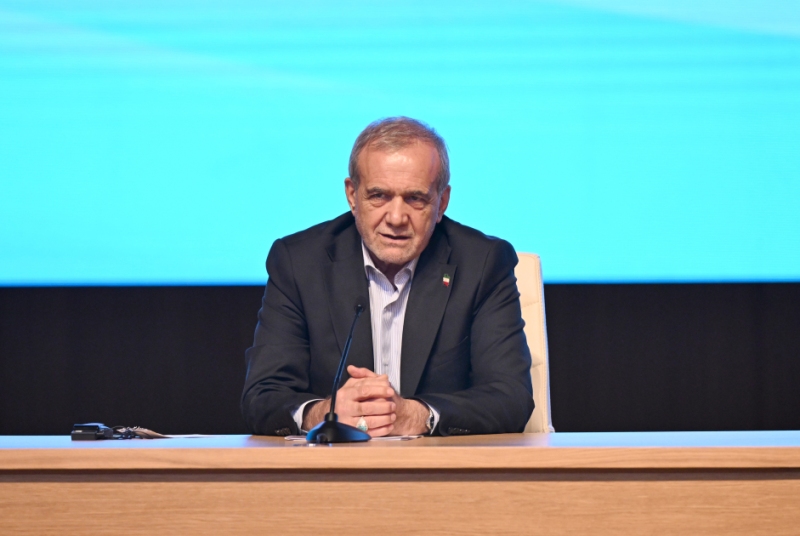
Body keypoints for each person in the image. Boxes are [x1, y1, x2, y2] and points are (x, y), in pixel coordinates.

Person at [241, 117, 533, 437]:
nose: (396, 218)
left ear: (441, 203)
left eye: (415, 198)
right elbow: (262, 396)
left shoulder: (483, 264)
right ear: (352, 195)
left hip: (441, 464)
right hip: (333, 465)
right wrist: (323, 414)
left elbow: (511, 398)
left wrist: (416, 415)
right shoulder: (299, 263)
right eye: (379, 196)